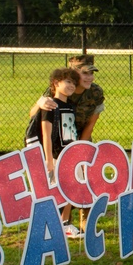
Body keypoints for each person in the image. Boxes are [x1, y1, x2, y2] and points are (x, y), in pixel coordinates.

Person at [29, 55, 106, 234]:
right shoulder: (60, 89)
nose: (89, 77)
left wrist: (79, 150)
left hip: (78, 139)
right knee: (61, 181)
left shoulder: (95, 92)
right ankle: (63, 221)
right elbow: (35, 115)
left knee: (85, 176)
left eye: (92, 73)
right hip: (57, 143)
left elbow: (90, 125)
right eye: (84, 73)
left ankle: (85, 218)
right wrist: (39, 103)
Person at [39, 67, 80, 235]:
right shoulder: (50, 105)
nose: (72, 86)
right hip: (57, 156)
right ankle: (50, 225)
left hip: (71, 155)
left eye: (74, 83)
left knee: (72, 189)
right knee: (56, 191)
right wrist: (49, 160)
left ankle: (64, 224)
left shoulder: (70, 106)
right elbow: (46, 134)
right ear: (56, 83)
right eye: (68, 81)